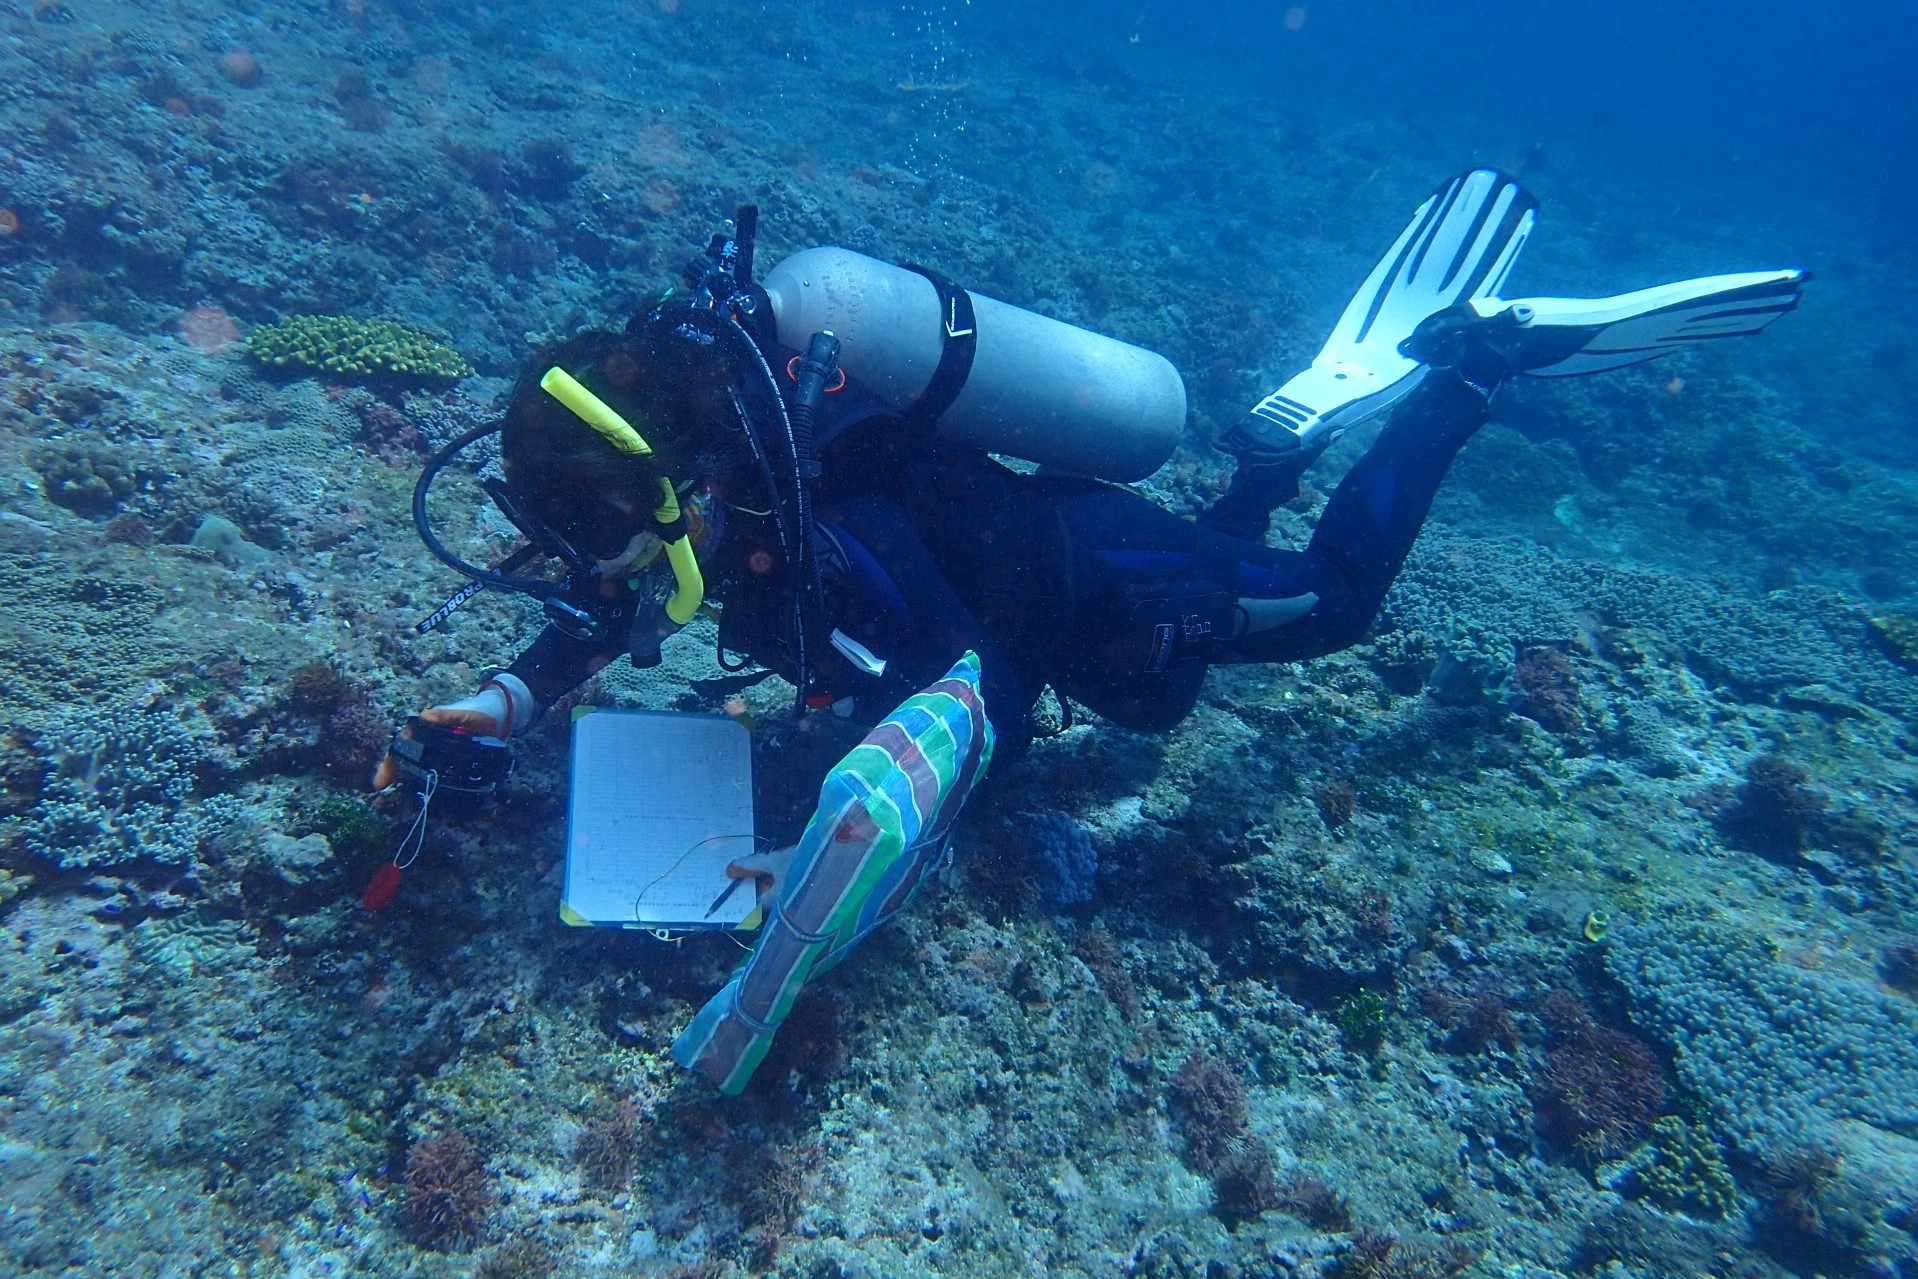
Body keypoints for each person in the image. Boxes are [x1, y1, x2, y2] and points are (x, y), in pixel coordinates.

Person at [373, 169, 1803, 1090]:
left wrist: (838, 822)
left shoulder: (836, 532)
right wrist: (508, 698)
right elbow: (605, 596)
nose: (600, 572)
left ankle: (1468, 376)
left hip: (1094, 582)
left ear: (683, 488)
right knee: (1190, 618)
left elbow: (981, 689)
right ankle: (1271, 441)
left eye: (612, 536)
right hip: (1025, 569)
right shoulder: (721, 482)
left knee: (1325, 602)